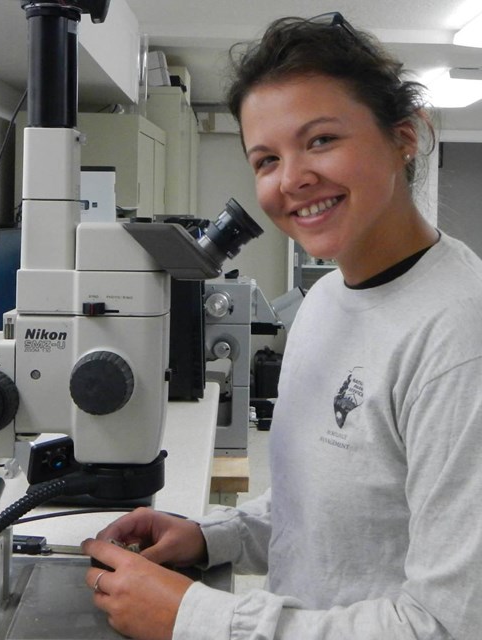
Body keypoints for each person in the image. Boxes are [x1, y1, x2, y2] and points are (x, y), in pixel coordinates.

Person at [82, 13, 482, 640]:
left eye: (321, 140)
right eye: (266, 159)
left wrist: (196, 619)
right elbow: (329, 516)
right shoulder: (325, 303)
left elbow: (447, 626)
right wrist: (214, 537)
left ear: (405, 136)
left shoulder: (461, 338)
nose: (292, 179)